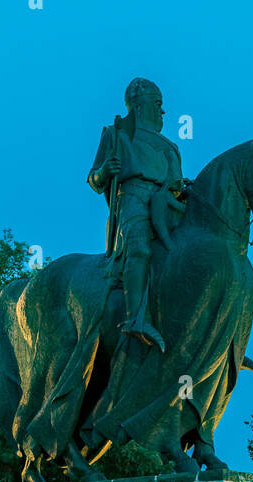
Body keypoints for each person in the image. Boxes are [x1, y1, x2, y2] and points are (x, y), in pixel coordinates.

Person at [88, 78, 186, 353]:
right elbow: (94, 180)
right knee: (140, 248)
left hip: (165, 204)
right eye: (158, 105)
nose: (163, 112)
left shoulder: (170, 147)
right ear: (140, 105)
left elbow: (176, 185)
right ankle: (135, 319)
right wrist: (105, 171)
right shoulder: (116, 133)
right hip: (132, 200)